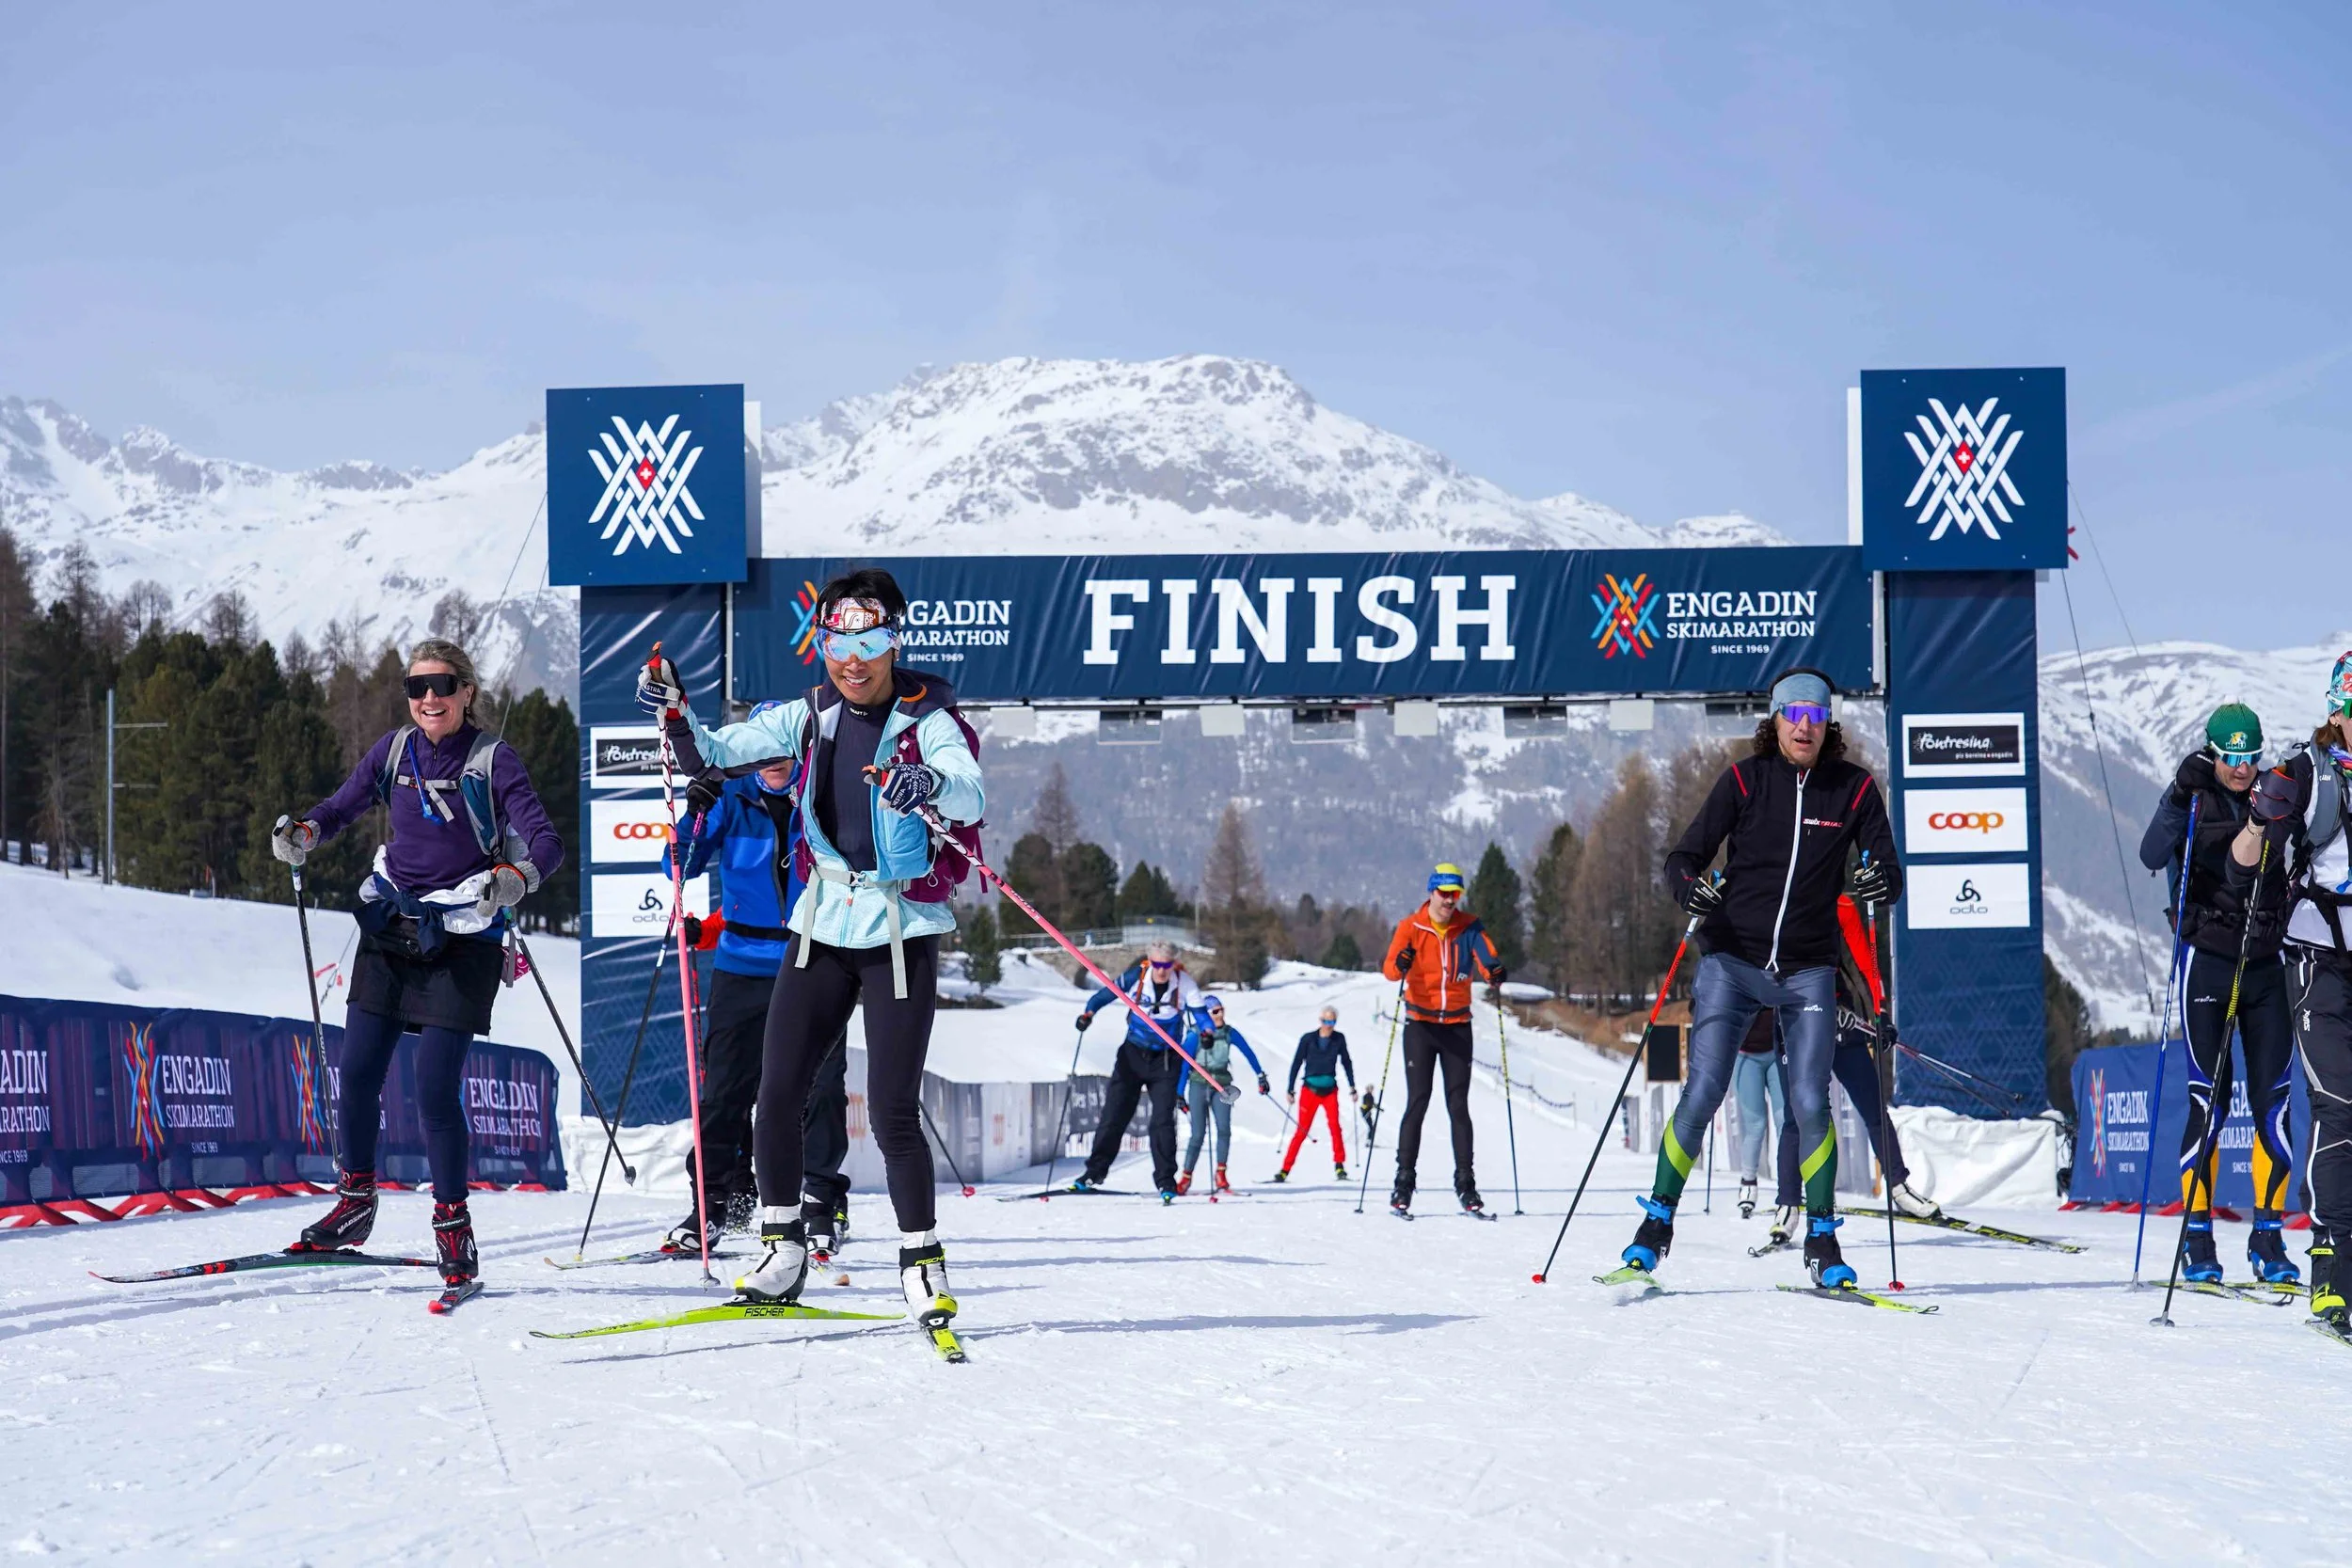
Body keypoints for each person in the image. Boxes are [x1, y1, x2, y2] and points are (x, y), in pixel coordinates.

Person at [639, 567, 984, 1337]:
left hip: (900, 927)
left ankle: (923, 1266)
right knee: (778, 1089)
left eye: (867, 642)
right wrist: (677, 715)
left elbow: (970, 793)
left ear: (893, 638)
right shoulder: (810, 713)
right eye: (837, 642)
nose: (850, 659)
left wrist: (926, 781)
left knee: (892, 1109)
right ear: (822, 641)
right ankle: (782, 1247)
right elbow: (718, 752)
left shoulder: (928, 717)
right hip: (824, 916)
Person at [270, 638, 564, 1293]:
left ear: (467, 691)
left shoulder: (493, 759)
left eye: (443, 684)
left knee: (434, 1088)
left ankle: (452, 1227)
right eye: (417, 685)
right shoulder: (395, 749)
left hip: (464, 934)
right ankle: (354, 1203)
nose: (429, 697)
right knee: (357, 1072)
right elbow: (342, 806)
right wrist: (307, 833)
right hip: (394, 921)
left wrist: (519, 875)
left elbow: (546, 841)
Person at [1621, 669, 1899, 1289]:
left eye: (1816, 714)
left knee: (1808, 1100)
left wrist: (1884, 880)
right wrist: (1689, 886)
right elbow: (1681, 858)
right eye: (1792, 714)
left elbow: (1889, 869)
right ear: (1773, 722)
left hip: (1806, 972)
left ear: (1829, 724)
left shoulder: (1853, 791)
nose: (1804, 725)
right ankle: (1656, 1221)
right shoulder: (1746, 779)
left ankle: (1822, 1238)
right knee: (1704, 1090)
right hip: (1733, 963)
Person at [665, 711, 854, 1259]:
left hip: (815, 955)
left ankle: (821, 1203)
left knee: (819, 1088)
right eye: (761, 747)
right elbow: (679, 864)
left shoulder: (822, 790)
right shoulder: (730, 793)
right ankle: (712, 1204)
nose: (772, 758)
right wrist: (693, 817)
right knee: (725, 1088)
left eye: (783, 746)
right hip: (743, 961)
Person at [2138, 700, 2301, 1285]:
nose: (2241, 768)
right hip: (2206, 961)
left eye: (2250, 756)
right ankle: (2198, 1236)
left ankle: (2268, 1236)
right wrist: (2175, 797)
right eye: (2231, 756)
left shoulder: (2275, 799)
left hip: (2264, 964)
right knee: (2208, 1101)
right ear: (2213, 752)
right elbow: (2151, 854)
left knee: (2274, 1103)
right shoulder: (2195, 795)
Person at [2236, 652, 2352, 1331]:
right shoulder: (2309, 774)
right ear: (2338, 711)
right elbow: (2246, 860)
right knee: (2340, 1107)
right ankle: (2331, 1271)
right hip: (2317, 962)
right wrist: (2258, 819)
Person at [1763, 899, 1946, 1248]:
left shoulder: (1840, 903)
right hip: (1794, 1021)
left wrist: (1879, 1014)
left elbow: (1866, 961)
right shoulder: (1777, 899)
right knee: (1794, 1117)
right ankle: (1788, 1205)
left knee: (1873, 1107)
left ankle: (1898, 1187)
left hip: (1841, 1020)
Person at [1380, 863, 1503, 1215]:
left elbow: (1488, 959)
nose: (1449, 900)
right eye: (1444, 893)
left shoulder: (1469, 927)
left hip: (1457, 1026)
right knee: (1417, 1102)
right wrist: (1402, 963)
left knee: (1458, 1106)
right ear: (1431, 892)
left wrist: (1494, 972)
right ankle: (1404, 1182)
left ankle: (1466, 1184)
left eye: (1455, 894)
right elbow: (1390, 970)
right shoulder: (1411, 927)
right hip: (1421, 1024)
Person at [1072, 940, 1208, 1200]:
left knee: (1162, 1122)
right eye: (1157, 964)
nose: (1161, 970)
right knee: (1114, 1114)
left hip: (1166, 1060)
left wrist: (1208, 1032)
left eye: (1166, 965)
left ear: (1174, 964)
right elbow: (1104, 995)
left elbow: (1201, 1015)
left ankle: (1166, 1181)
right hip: (1132, 1055)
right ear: (1149, 962)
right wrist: (1088, 1014)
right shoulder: (1137, 976)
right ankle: (1094, 1173)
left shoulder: (1184, 983)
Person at [1175, 995, 1270, 1195]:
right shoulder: (1195, 1034)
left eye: (1221, 1010)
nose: (1220, 1015)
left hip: (1222, 1086)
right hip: (1199, 1084)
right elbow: (1185, 1064)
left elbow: (1248, 1052)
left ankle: (1221, 1175)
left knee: (1224, 1130)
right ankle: (1185, 1178)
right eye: (1215, 1012)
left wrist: (1260, 1075)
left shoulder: (1228, 1033)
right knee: (1198, 1134)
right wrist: (1179, 1093)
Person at [1274, 1005, 1359, 1182]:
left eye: (1333, 1021)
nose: (1329, 1025)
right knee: (1302, 1131)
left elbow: (1346, 1062)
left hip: (1330, 1090)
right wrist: (1290, 1088)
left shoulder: (1339, 1039)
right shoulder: (1308, 1039)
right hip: (1310, 1090)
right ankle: (1285, 1169)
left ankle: (1340, 1165)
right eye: (1326, 1021)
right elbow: (1296, 1063)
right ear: (1320, 1021)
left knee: (1335, 1127)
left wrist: (1352, 1086)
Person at [1729, 1012, 1782, 1220]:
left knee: (1784, 1121)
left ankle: (1790, 1187)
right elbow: (1699, 1004)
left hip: (1777, 1051)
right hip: (1746, 1055)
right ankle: (1748, 1184)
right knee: (1756, 1125)